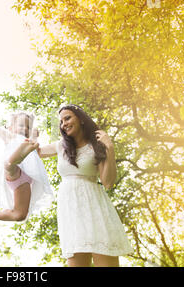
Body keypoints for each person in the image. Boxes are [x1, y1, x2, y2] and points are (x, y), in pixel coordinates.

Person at [37, 104, 132, 267]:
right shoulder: (60, 146)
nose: (64, 124)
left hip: (94, 209)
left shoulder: (95, 146)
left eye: (67, 118)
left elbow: (108, 182)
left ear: (80, 119)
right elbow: (32, 152)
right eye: (61, 121)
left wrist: (109, 148)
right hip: (71, 212)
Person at [0, 111, 53, 226]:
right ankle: (15, 159)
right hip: (13, 170)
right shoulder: (10, 136)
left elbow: (36, 155)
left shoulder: (30, 141)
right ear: (10, 128)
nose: (24, 129)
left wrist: (34, 136)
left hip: (25, 180)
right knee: (10, 166)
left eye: (28, 127)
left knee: (20, 215)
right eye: (21, 125)